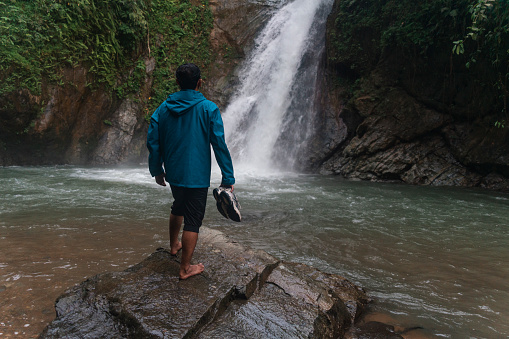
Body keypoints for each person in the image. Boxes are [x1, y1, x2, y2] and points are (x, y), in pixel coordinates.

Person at [147, 63, 235, 280]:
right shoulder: (209, 108)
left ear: (177, 82)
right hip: (196, 176)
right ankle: (185, 268)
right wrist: (228, 177)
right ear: (199, 82)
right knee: (193, 220)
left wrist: (157, 170)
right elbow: (219, 144)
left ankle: (174, 245)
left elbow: (153, 141)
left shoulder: (163, 108)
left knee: (178, 206)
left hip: (174, 173)